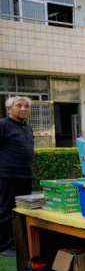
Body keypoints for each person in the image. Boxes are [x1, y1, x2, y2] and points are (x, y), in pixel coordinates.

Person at [0, 97, 33, 257]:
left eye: (26, 106)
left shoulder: (27, 127)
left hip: (26, 177)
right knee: (6, 213)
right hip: (7, 177)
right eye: (18, 105)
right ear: (8, 109)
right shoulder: (3, 125)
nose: (23, 108)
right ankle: (4, 247)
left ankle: (19, 243)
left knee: (23, 212)